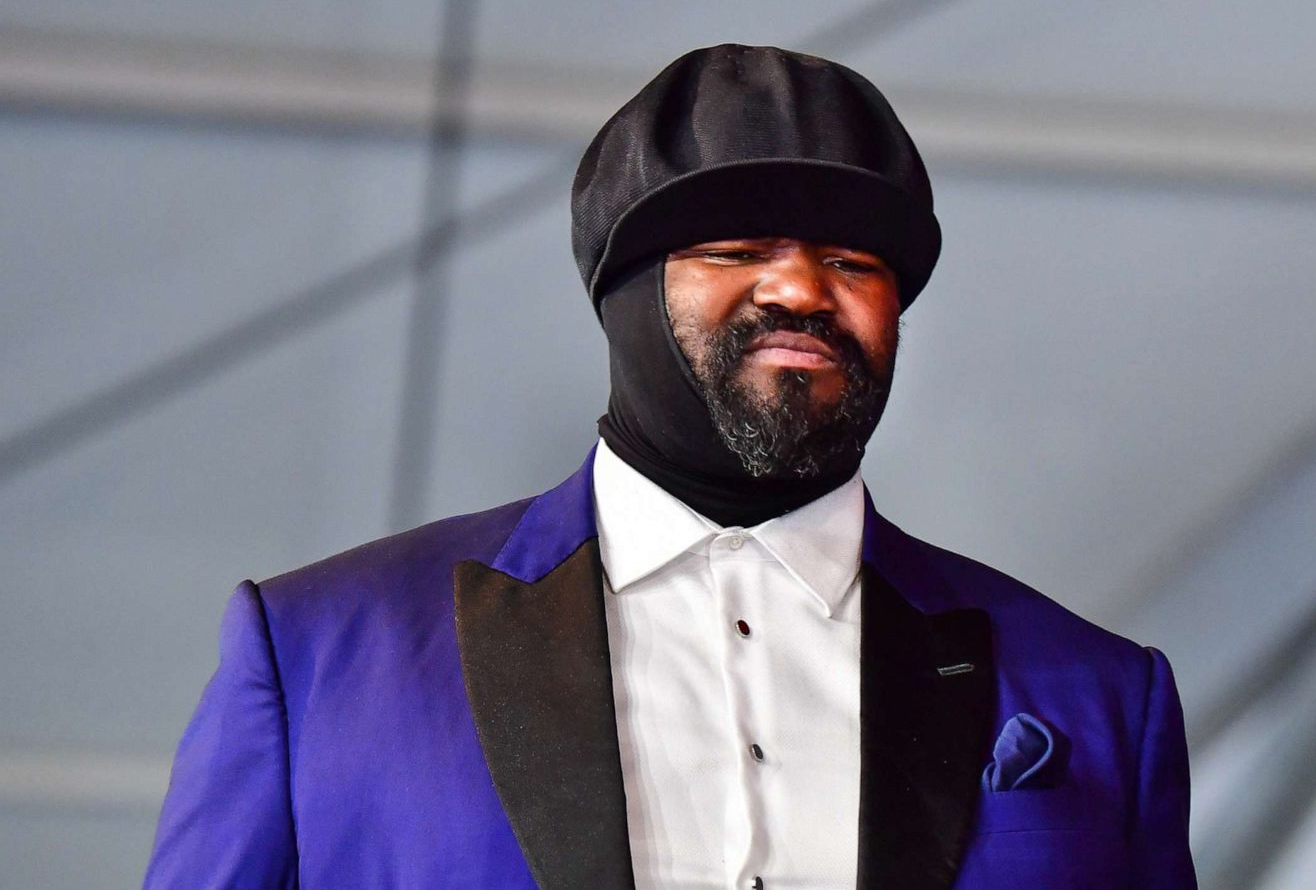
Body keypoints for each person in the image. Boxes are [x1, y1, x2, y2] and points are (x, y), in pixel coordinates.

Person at [144, 44, 1198, 890]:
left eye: (852, 262)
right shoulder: (318, 656)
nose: (798, 289)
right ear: (620, 295)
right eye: (734, 250)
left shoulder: (1101, 693)